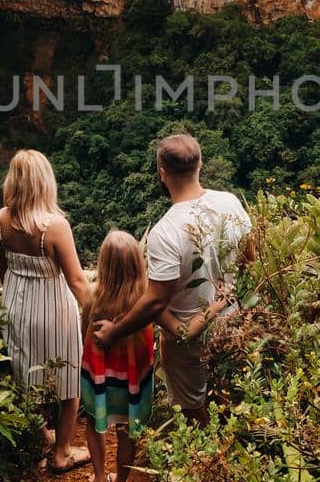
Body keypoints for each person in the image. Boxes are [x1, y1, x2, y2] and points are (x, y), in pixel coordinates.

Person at [91, 133, 252, 420]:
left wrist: (114, 332)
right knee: (235, 398)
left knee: (194, 410)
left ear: (162, 173)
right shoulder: (230, 202)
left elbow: (156, 301)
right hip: (235, 322)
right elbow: (249, 259)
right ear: (200, 164)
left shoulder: (165, 232)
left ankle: (208, 461)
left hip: (187, 339)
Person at [0, 149, 92, 473]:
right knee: (68, 381)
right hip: (53, 312)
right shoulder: (55, 226)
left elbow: (2, 271)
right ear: (45, 182)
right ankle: (61, 453)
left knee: (24, 377)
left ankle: (41, 438)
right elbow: (77, 282)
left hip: (16, 307)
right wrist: (103, 312)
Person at [80, 230, 156, 482]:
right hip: (132, 380)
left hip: (100, 377)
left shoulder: (92, 296)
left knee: (93, 422)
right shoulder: (145, 301)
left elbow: (84, 333)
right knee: (127, 429)